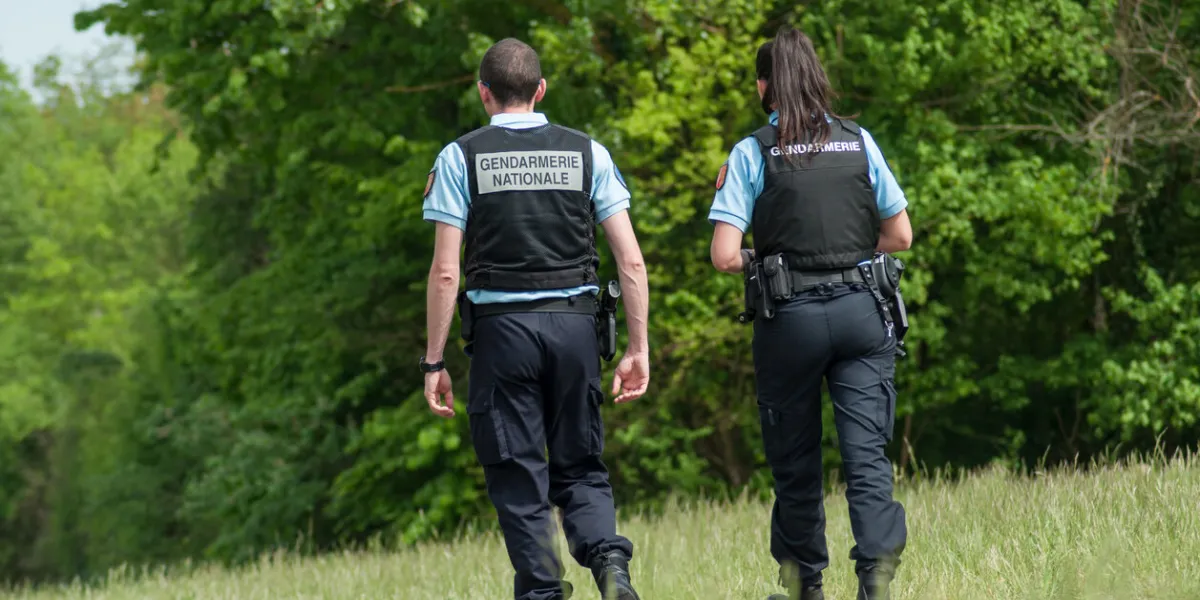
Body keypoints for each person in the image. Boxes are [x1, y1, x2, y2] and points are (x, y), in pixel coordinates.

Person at [419, 38, 651, 600]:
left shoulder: (460, 157)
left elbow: (447, 273)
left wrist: (433, 361)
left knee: (517, 473)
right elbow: (631, 259)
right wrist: (637, 347)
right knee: (579, 463)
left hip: (502, 339)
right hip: (575, 331)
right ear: (541, 90)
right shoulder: (588, 153)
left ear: (484, 94)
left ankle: (544, 592)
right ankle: (610, 568)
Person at [707, 26, 913, 600]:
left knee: (796, 465)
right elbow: (900, 234)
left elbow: (724, 256)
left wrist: (766, 258)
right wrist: (849, 249)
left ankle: (805, 588)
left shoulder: (752, 152)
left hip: (790, 319)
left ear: (763, 86)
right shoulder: (858, 141)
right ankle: (875, 583)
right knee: (866, 457)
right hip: (861, 313)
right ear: (817, 77)